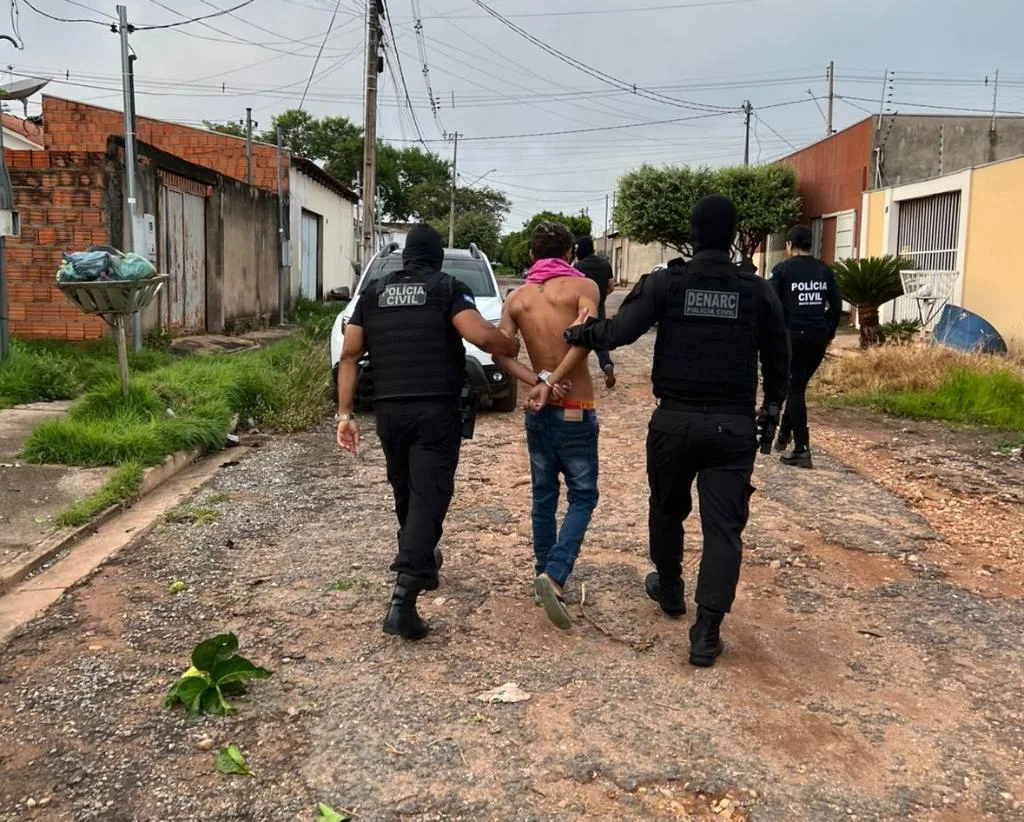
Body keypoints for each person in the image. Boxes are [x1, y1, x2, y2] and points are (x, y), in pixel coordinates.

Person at [560, 195, 790, 668]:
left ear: (692, 233)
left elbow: (619, 332)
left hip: (674, 422)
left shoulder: (669, 281)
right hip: (732, 427)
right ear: (733, 237)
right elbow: (779, 357)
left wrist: (580, 334)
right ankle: (706, 632)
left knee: (666, 507)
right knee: (723, 528)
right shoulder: (756, 290)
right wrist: (771, 411)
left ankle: (669, 587)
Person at [336, 224, 520, 641]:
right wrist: (508, 344)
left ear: (405, 258)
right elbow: (479, 335)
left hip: (389, 411)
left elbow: (349, 355)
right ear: (436, 258)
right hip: (434, 410)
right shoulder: (446, 288)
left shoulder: (374, 292)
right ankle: (403, 599)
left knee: (405, 490)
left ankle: (423, 560)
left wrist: (344, 414)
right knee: (429, 495)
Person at [492, 221, 601, 631]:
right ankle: (554, 574)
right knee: (583, 496)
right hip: (576, 406)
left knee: (543, 495)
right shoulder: (583, 287)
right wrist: (553, 381)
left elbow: (500, 352)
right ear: (570, 253)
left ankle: (543, 575)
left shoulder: (517, 298)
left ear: (532, 255)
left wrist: (538, 382)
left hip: (538, 409)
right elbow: (585, 337)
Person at [769, 225, 842, 469]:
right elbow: (836, 305)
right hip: (817, 337)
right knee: (798, 386)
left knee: (795, 388)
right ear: (811, 244)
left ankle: (802, 449)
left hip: (793, 336)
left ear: (789, 245)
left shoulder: (783, 270)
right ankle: (783, 435)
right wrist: (829, 331)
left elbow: (772, 305)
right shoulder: (824, 270)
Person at [573, 236, 617, 388]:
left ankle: (575, 372)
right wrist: (601, 297)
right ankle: (607, 365)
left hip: (581, 310)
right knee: (599, 340)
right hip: (599, 308)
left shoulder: (577, 268)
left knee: (577, 340)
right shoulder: (605, 264)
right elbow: (611, 286)